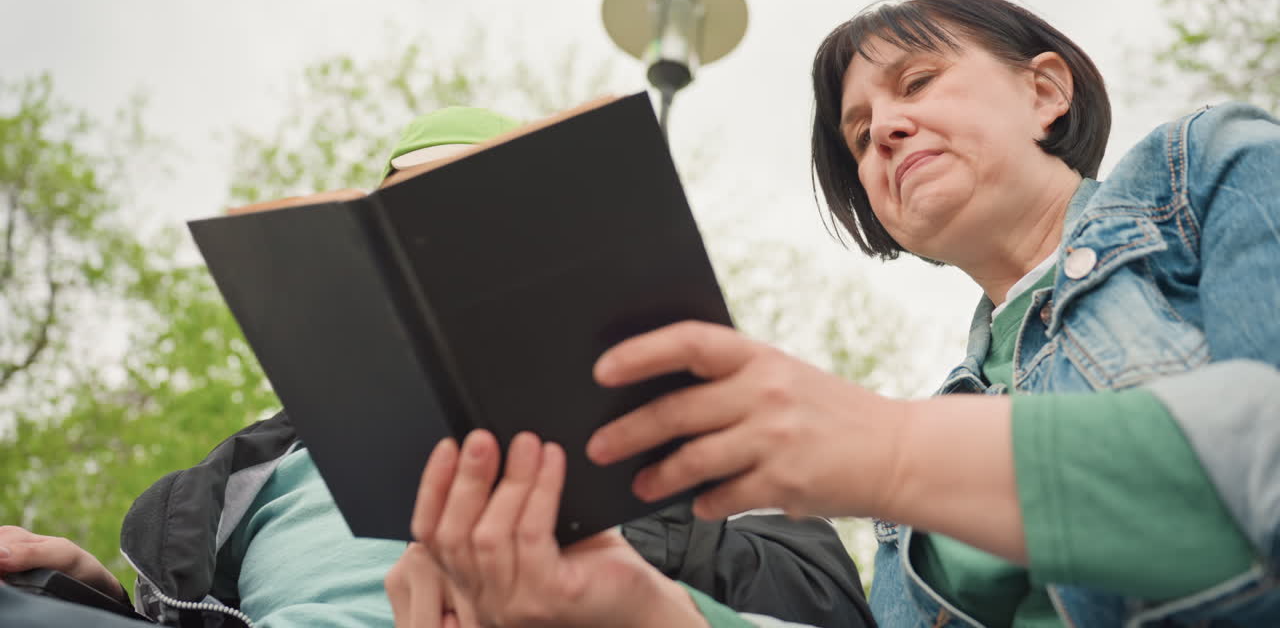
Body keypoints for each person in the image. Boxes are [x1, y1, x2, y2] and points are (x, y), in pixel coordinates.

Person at [384, 0, 1280, 628]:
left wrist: (887, 451)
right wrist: (642, 610)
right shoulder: (921, 473)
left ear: (1046, 91)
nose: (884, 129)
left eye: (919, 82)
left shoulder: (1210, 171)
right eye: (859, 133)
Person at [0, 107, 873, 628]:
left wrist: (589, 540)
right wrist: (95, 594)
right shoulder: (239, 483)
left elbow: (828, 601)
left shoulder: (677, 432)